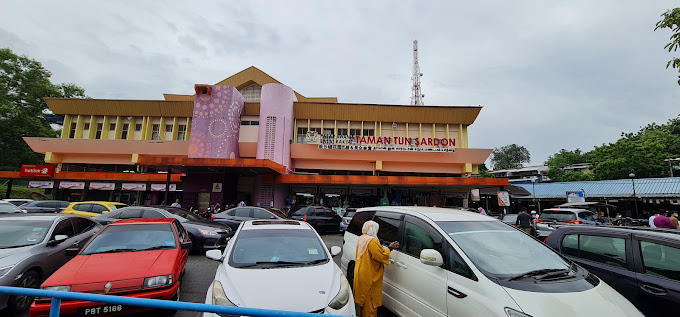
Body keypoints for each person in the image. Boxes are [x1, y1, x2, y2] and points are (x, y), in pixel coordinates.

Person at [354, 221, 399, 317]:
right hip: (369, 274)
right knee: (370, 301)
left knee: (364, 300)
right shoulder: (372, 241)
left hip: (360, 271)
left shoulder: (361, 238)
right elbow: (380, 256)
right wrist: (389, 249)